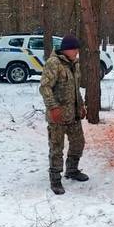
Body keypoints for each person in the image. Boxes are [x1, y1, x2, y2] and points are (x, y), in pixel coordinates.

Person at [39, 35, 88, 195]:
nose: (77, 52)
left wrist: (81, 106)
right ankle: (55, 179)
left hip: (73, 115)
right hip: (57, 116)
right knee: (56, 148)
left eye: (77, 49)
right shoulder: (54, 63)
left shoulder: (75, 64)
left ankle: (72, 170)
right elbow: (45, 87)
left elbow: (75, 89)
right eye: (74, 49)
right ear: (66, 49)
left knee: (78, 143)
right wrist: (53, 108)